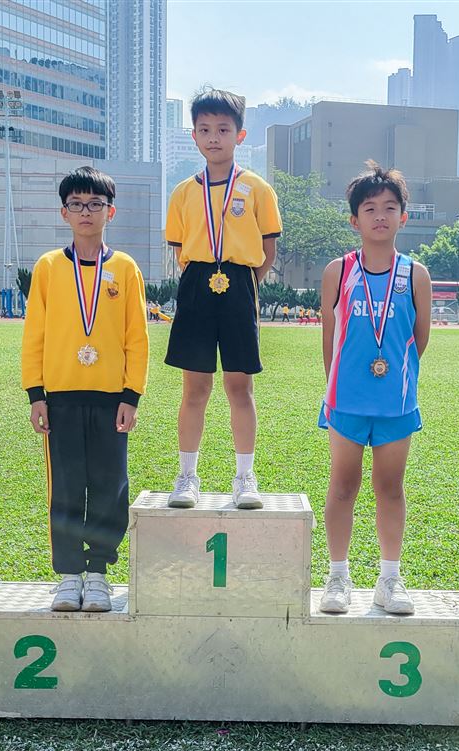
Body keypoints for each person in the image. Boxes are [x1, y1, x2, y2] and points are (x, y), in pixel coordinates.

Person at [22, 167, 149, 613]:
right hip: (60, 396)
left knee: (111, 486)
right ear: (64, 213)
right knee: (67, 487)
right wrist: (36, 393)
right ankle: (69, 575)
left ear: (110, 211)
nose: (86, 212)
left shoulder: (125, 268)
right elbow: (34, 334)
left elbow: (137, 337)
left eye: (95, 204)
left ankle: (98, 574)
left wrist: (131, 395)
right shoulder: (49, 267)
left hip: (111, 398)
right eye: (76, 204)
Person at [317, 162, 432, 616]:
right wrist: (338, 386)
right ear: (354, 220)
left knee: (390, 488)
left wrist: (393, 373)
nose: (380, 216)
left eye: (389, 207)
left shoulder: (415, 274)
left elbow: (419, 338)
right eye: (369, 208)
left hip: (396, 402)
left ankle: (389, 578)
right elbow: (330, 338)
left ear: (404, 216)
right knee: (342, 486)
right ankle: (338, 576)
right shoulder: (338, 271)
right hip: (346, 399)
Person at [163, 88, 283, 510]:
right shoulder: (183, 192)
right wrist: (203, 279)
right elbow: (180, 249)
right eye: (205, 129)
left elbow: (268, 249)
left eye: (223, 129)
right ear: (194, 136)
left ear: (240, 135)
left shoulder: (257, 189)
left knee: (239, 386)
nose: (214, 137)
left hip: (240, 282)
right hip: (197, 283)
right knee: (195, 388)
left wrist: (245, 283)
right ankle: (187, 476)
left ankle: (245, 476)